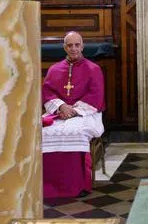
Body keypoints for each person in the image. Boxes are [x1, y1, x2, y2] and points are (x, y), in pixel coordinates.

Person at [41, 32, 106, 199]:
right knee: (43, 132)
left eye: (77, 45)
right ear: (64, 47)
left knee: (77, 132)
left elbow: (96, 95)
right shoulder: (54, 70)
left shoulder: (94, 69)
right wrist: (61, 106)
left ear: (82, 46)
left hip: (86, 113)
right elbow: (47, 92)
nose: (74, 48)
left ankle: (78, 184)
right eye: (70, 45)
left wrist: (73, 111)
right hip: (59, 113)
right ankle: (47, 185)